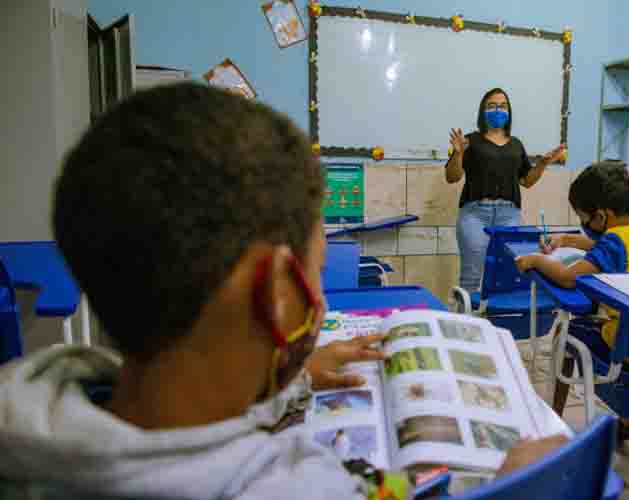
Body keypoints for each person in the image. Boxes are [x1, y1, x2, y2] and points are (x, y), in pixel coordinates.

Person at [0, 82, 568, 500]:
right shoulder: (297, 488)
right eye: (318, 273)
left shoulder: (38, 409)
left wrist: (290, 382)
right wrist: (512, 487)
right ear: (276, 295)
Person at [516, 162, 629, 438]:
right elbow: (618, 250)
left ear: (601, 217)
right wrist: (569, 239)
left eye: (584, 218)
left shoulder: (613, 243)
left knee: (566, 334)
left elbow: (568, 277)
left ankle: (554, 419)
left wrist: (537, 260)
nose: (584, 225)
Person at [445, 87, 566, 292]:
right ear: (483, 111)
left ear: (509, 112)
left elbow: (526, 181)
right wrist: (457, 155)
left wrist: (543, 163)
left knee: (509, 273)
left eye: (502, 106)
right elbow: (451, 177)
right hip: (475, 215)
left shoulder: (516, 145)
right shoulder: (471, 141)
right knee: (472, 275)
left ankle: (494, 320)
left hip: (509, 215)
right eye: (491, 106)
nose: (497, 110)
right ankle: (466, 321)